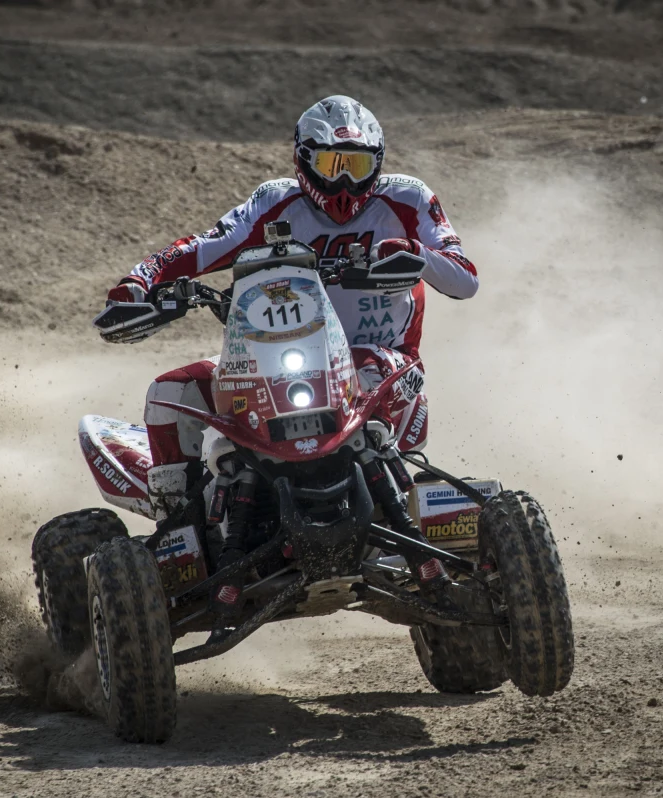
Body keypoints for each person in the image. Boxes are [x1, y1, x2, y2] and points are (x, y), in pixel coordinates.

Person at [99, 95, 478, 600]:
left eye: (358, 166)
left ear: (378, 163)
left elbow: (465, 278)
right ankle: (183, 539)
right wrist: (139, 281)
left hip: (379, 361)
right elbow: (202, 247)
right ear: (303, 160)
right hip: (276, 364)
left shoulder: (408, 199)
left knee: (370, 374)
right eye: (330, 165)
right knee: (171, 394)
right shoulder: (273, 202)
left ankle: (398, 508)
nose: (344, 182)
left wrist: (415, 254)